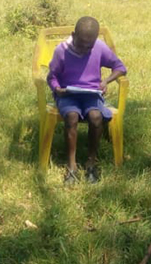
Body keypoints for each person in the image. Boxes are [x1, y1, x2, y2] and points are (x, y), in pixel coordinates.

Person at [47, 16, 127, 184]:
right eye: (81, 44)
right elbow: (52, 77)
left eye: (88, 46)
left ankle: (91, 162)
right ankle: (71, 166)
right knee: (72, 117)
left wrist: (105, 81)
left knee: (96, 117)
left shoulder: (99, 47)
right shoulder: (61, 50)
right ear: (73, 35)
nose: (84, 49)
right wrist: (57, 89)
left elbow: (120, 68)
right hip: (68, 94)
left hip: (91, 94)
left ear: (95, 40)